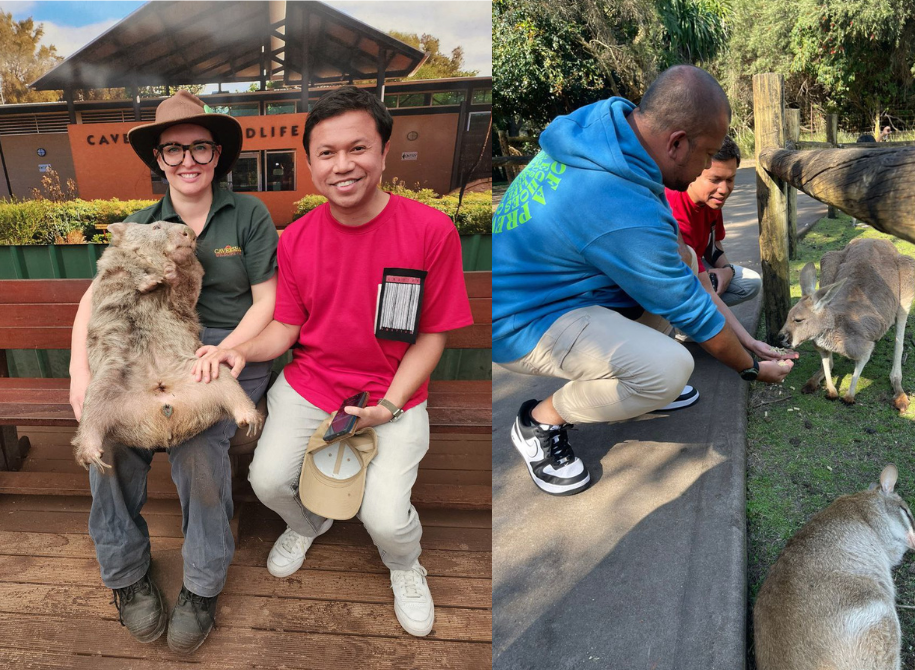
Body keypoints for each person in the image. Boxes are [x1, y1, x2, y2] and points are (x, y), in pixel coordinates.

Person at [193, 86, 473, 638]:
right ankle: (310, 523)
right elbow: (286, 328)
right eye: (327, 153)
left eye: (358, 148)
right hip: (309, 388)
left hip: (392, 395)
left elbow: (431, 337)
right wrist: (240, 349)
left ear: (383, 153)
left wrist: (389, 406)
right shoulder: (295, 240)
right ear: (310, 164)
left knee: (386, 518)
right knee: (269, 482)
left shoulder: (429, 230)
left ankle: (405, 567)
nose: (343, 165)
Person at [492, 65, 796, 497]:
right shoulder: (618, 204)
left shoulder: (609, 129)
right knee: (670, 367)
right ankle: (539, 421)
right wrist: (750, 369)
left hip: (560, 291)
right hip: (517, 321)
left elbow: (689, 273)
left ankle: (643, 386)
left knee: (684, 258)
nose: (707, 167)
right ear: (676, 143)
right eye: (706, 154)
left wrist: (747, 338)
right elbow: (694, 313)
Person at [68, 90, 279, 653]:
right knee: (109, 443)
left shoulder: (249, 214)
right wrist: (79, 377)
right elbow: (94, 300)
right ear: (158, 160)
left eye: (200, 148)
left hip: (225, 352)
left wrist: (222, 350)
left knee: (198, 448)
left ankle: (203, 585)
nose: (187, 160)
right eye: (173, 150)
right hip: (146, 348)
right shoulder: (140, 224)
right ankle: (127, 574)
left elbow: (267, 303)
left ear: (218, 156)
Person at [665, 136, 786, 360]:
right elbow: (707, 291)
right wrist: (749, 346)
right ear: (694, 171)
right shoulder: (675, 208)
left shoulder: (711, 200)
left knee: (748, 282)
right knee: (703, 290)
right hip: (667, 284)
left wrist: (727, 269)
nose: (724, 189)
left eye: (730, 179)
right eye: (715, 179)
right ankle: (683, 324)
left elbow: (714, 245)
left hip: (694, 271)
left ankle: (690, 325)